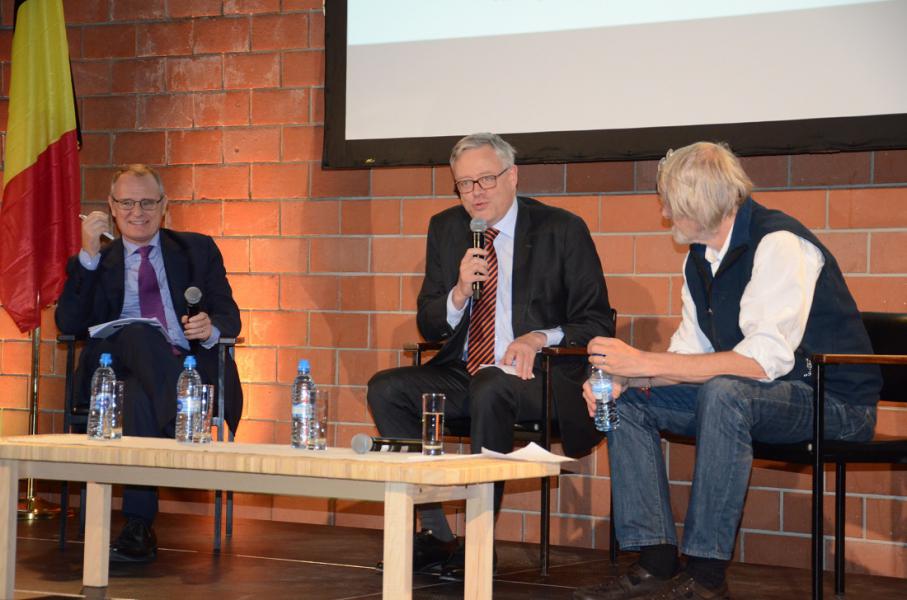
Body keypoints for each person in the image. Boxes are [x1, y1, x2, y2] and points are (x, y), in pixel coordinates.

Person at [573, 142, 881, 600]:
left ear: (699, 205)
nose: (663, 212)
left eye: (671, 204)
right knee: (630, 402)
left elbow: (763, 360)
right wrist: (627, 377)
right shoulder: (699, 258)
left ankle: (706, 576)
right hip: (757, 397)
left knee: (725, 392)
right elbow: (689, 354)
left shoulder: (779, 242)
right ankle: (656, 561)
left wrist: (646, 362)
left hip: (832, 403)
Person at [367, 132, 614, 579]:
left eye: (486, 179)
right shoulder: (446, 229)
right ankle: (437, 533)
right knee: (387, 389)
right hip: (466, 372)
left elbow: (596, 321)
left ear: (513, 176)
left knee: (491, 386)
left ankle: (480, 541)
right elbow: (430, 322)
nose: (476, 193)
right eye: (464, 184)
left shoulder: (561, 228)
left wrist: (539, 337)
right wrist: (459, 293)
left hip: (538, 378)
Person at [56, 164, 242, 563]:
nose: (137, 212)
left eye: (146, 202)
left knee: (138, 397)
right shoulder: (96, 261)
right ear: (110, 206)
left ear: (164, 206)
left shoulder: (197, 250)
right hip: (109, 365)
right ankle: (182, 419)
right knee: (140, 332)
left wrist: (210, 327)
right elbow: (69, 324)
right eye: (126, 203)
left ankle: (138, 529)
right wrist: (87, 256)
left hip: (175, 367)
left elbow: (230, 317)